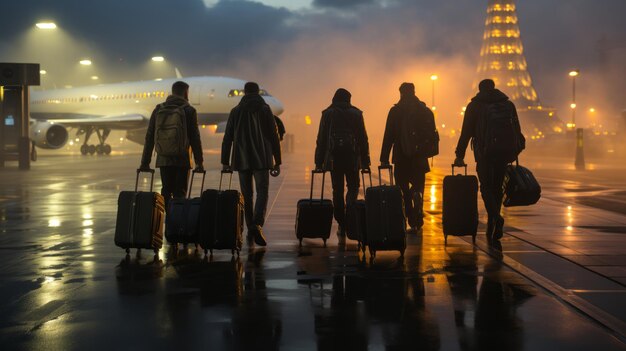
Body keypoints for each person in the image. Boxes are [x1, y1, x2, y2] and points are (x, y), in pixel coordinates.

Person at [454, 79, 525, 242]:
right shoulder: (508, 104)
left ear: (479, 89)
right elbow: (517, 130)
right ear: (494, 88)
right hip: (504, 153)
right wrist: (515, 149)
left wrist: (460, 155)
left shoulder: (475, 106)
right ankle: (493, 221)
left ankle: (495, 217)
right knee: (498, 187)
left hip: (485, 153)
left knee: (485, 187)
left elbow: (466, 132)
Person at [222, 81, 281, 247]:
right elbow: (274, 136)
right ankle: (257, 224)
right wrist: (278, 161)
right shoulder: (265, 109)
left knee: (246, 195)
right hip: (262, 159)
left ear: (244, 92)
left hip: (242, 159)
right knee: (262, 192)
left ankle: (250, 227)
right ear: (258, 92)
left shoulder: (236, 111)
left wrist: (225, 162)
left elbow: (228, 137)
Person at [380, 82, 436, 232]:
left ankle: (410, 214)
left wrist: (384, 157)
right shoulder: (424, 110)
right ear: (414, 92)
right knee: (419, 185)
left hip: (401, 155)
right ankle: (417, 207)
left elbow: (388, 135)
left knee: (402, 188)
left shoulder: (395, 111)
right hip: (420, 156)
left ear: (401, 93)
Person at [314, 88, 371, 236]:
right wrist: (365, 161)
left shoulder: (327, 114)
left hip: (334, 160)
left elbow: (321, 139)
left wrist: (318, 162)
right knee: (353, 187)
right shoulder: (357, 114)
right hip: (352, 159)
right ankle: (351, 213)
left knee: (337, 190)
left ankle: (341, 223)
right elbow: (363, 139)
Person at [140, 81, 204, 210]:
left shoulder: (159, 109)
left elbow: (150, 136)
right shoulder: (189, 111)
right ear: (186, 93)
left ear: (172, 92)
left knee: (166, 190)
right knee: (180, 193)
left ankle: (167, 221)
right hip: (182, 158)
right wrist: (199, 162)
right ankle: (177, 224)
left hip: (163, 158)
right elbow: (195, 138)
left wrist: (145, 162)